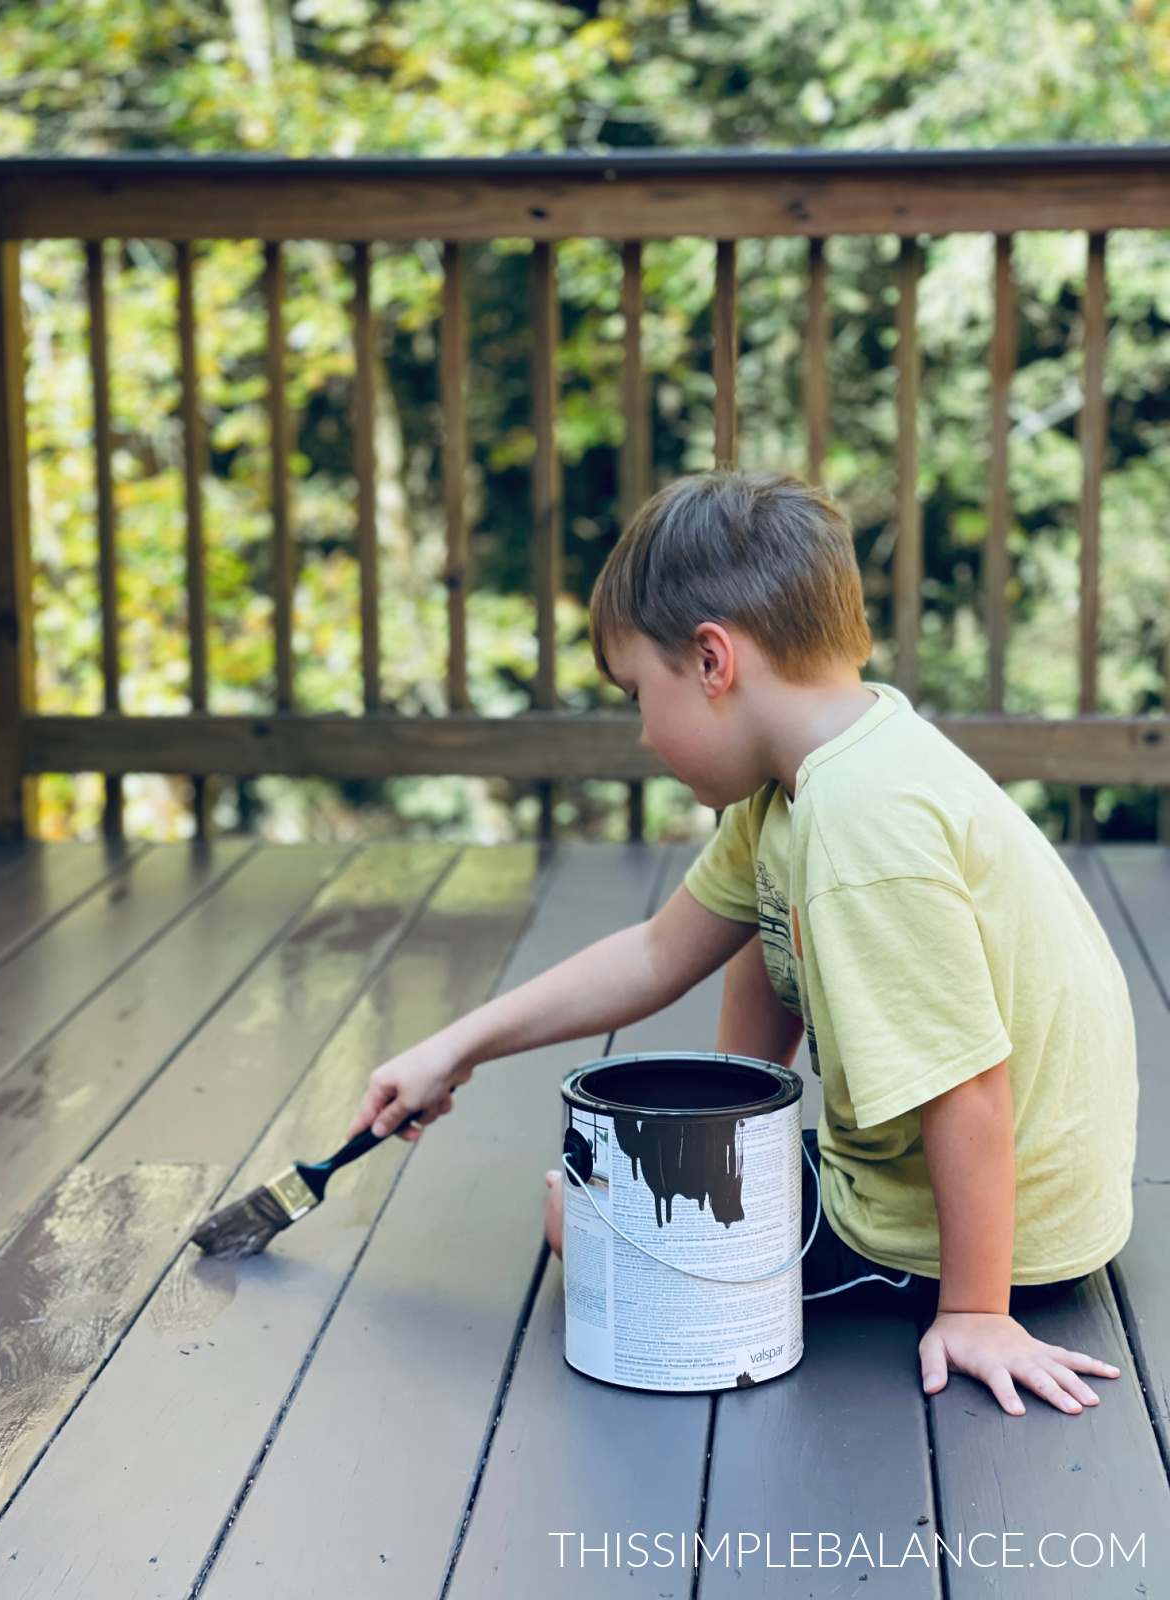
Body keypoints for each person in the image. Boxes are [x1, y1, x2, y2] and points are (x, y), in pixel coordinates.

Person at [347, 470, 1136, 1418]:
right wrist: (454, 1048)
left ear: (714, 661)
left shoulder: (863, 825)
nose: (643, 733)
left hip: (965, 1237)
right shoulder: (809, 773)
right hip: (944, 1185)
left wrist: (977, 1310)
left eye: (641, 692)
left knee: (580, 1215)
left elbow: (967, 1084)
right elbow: (658, 952)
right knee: (611, 1196)